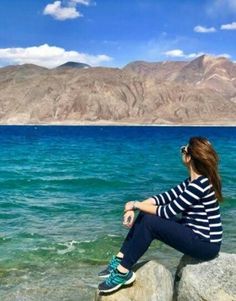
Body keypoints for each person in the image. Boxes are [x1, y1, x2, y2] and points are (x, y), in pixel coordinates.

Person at [98, 136, 223, 293]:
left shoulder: (200, 185)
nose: (181, 152)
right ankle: (120, 259)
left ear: (189, 157)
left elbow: (167, 210)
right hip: (194, 233)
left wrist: (136, 205)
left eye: (183, 149)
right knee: (145, 215)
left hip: (206, 244)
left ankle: (123, 273)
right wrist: (132, 206)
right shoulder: (191, 182)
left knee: (150, 221)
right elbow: (163, 198)